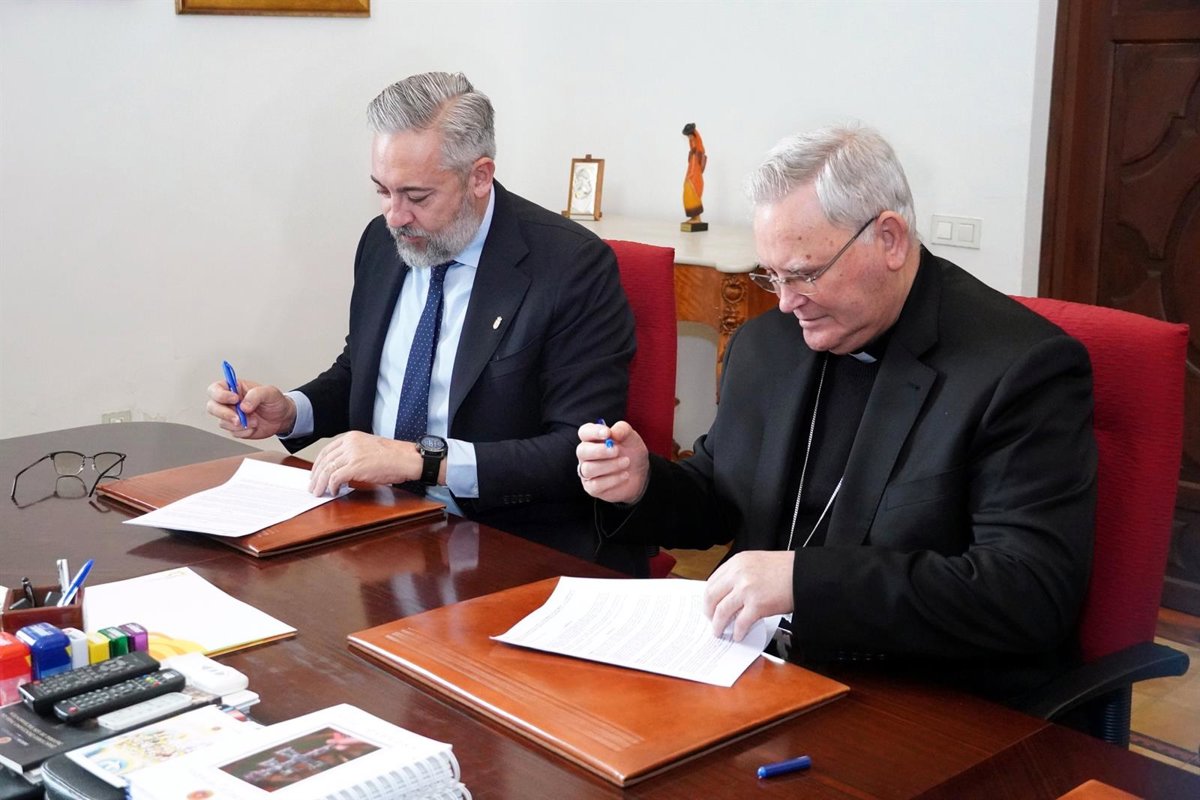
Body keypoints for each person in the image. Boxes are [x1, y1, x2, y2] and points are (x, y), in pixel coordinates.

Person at [576, 125, 1097, 703]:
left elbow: (1028, 593)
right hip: (753, 671)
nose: (785, 301)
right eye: (771, 275)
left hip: (919, 694)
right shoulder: (768, 345)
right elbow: (724, 496)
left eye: (805, 273)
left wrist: (803, 581)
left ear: (889, 239)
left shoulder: (1020, 369)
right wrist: (643, 484)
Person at [207, 72, 642, 574]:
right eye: (382, 191)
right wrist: (291, 412)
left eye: (416, 197)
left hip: (512, 542)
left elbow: (578, 450)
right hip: (382, 526)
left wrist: (422, 460)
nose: (395, 216)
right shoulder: (381, 242)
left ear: (479, 177)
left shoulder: (570, 267)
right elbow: (365, 372)